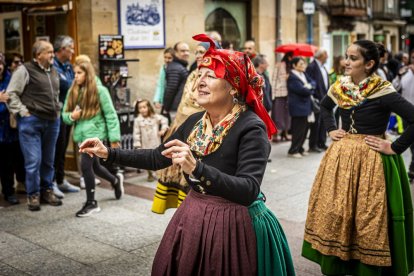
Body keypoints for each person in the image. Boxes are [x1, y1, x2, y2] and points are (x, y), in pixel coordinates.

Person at [79, 33, 295, 276]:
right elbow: (156, 157)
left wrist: (197, 169)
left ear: (233, 87)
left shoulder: (251, 127)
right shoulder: (195, 122)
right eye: (199, 75)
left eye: (210, 76)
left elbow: (248, 190)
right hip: (195, 213)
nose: (199, 82)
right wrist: (108, 152)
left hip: (234, 223)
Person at [302, 40, 414, 275]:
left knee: (369, 216)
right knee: (337, 212)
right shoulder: (340, 86)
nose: (346, 62)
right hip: (341, 157)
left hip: (372, 160)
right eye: (346, 56)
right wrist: (331, 128)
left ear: (369, 63)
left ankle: (365, 267)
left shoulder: (382, 90)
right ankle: (339, 263)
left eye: (353, 58)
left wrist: (395, 147)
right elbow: (324, 107)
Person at [151, 41, 212, 214]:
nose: (198, 55)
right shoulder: (193, 73)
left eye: (202, 52)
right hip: (181, 125)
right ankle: (183, 216)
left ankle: (193, 216)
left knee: (193, 177)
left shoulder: (213, 77)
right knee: (175, 173)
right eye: (197, 52)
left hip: (201, 132)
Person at [62, 55, 123, 217]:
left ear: (87, 74)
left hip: (95, 134)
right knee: (95, 166)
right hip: (81, 134)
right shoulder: (73, 90)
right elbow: (64, 114)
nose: (75, 76)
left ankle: (91, 203)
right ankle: (115, 181)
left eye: (79, 73)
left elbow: (111, 115)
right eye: (74, 73)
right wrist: (72, 117)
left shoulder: (100, 91)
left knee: (85, 166)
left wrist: (114, 139)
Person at [7, 40, 62, 211]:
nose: (53, 55)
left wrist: (58, 109)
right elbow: (11, 94)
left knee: (48, 161)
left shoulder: (53, 70)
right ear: (39, 55)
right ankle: (33, 194)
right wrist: (23, 112)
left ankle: (47, 190)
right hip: (32, 121)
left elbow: (56, 93)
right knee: (33, 161)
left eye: (53, 52)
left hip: (52, 121)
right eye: (49, 52)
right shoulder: (24, 70)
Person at [52, 35, 80, 198]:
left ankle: (61, 179)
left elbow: (73, 85)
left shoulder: (68, 66)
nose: (73, 51)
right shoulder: (53, 66)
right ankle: (52, 181)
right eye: (71, 48)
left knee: (62, 148)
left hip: (68, 113)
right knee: (55, 149)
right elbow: (66, 85)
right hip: (56, 114)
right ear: (62, 49)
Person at [133, 99, 168, 181]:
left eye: (144, 107)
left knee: (157, 158)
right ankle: (150, 174)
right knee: (146, 160)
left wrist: (163, 130)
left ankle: (158, 173)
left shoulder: (155, 117)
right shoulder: (138, 120)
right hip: (145, 144)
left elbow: (165, 120)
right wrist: (137, 145)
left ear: (148, 107)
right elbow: (136, 133)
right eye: (140, 108)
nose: (142, 109)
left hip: (155, 142)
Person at [0, 52, 19, 204]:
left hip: (9, 129)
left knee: (8, 163)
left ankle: (9, 191)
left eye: (0, 64)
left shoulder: (11, 78)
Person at [287, 57, 315, 158]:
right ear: (294, 65)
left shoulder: (303, 74)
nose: (303, 66)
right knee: (298, 130)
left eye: (304, 64)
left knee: (305, 129)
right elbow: (302, 90)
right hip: (298, 107)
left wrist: (309, 86)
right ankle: (293, 150)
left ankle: (300, 148)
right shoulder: (292, 77)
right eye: (300, 64)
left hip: (306, 106)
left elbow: (313, 83)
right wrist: (309, 89)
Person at [393, 49, 414, 181]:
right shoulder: (405, 72)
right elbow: (394, 88)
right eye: (413, 57)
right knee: (411, 142)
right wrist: (400, 75)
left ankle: (412, 167)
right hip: (408, 114)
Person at [306, 48, 329, 153]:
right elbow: (310, 82)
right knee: (316, 124)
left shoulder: (323, 67)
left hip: (325, 98)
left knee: (324, 122)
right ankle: (313, 145)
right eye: (326, 55)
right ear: (321, 56)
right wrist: (315, 96)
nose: (328, 57)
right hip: (317, 99)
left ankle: (322, 142)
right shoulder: (311, 67)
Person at [162, 42, 190, 123]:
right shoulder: (175, 67)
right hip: (177, 109)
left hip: (181, 108)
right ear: (175, 52)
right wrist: (166, 108)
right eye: (182, 51)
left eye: (187, 51)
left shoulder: (179, 66)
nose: (186, 53)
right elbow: (170, 90)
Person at [271, 51, 293, 143]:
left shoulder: (292, 66)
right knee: (277, 114)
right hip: (279, 93)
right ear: (288, 57)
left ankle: (285, 133)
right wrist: (273, 94)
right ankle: (276, 134)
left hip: (289, 93)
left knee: (287, 115)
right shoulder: (279, 65)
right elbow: (274, 79)